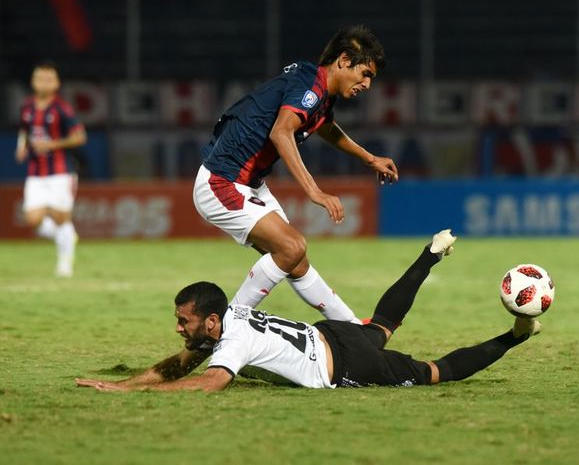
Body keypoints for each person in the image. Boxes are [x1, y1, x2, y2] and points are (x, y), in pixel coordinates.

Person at [75, 230, 542, 393]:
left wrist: (133, 396)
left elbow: (208, 383)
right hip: (334, 334)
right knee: (380, 324)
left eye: (184, 322)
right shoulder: (229, 320)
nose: (178, 329)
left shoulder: (230, 342)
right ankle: (431, 252)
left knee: (434, 373)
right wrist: (122, 385)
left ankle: (515, 336)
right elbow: (178, 367)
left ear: (211, 321)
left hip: (347, 365)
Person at [194, 25, 398, 323]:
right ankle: (228, 329)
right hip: (222, 182)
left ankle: (353, 328)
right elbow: (281, 132)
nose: (367, 84)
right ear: (343, 60)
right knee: (291, 247)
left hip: (249, 184)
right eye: (365, 73)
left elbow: (325, 126)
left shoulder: (320, 92)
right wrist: (315, 192)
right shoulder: (310, 86)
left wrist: (368, 158)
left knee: (296, 261)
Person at [14, 61, 87, 277]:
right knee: (32, 219)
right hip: (35, 173)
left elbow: (79, 137)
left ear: (56, 83)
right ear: (33, 82)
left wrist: (52, 145)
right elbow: (25, 131)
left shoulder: (61, 108)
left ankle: (64, 263)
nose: (44, 82)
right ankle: (67, 237)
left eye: (49, 79)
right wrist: (22, 147)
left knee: (60, 217)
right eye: (40, 78)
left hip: (60, 172)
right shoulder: (26, 107)